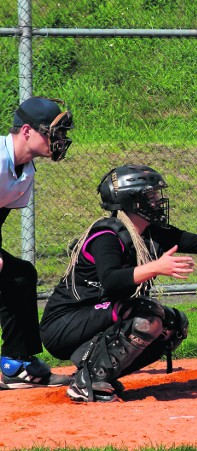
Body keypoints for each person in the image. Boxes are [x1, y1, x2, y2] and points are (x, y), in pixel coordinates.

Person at [39, 164, 197, 402]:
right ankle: (88, 382)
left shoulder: (152, 233)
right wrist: (156, 266)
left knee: (173, 325)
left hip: (99, 316)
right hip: (64, 323)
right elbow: (111, 282)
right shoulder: (106, 235)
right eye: (150, 195)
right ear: (131, 200)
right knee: (146, 316)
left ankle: (99, 373)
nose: (156, 200)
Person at [0, 96, 74, 389]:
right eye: (52, 132)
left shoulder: (25, 170)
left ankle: (16, 363)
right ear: (28, 131)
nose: (59, 140)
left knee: (19, 275)